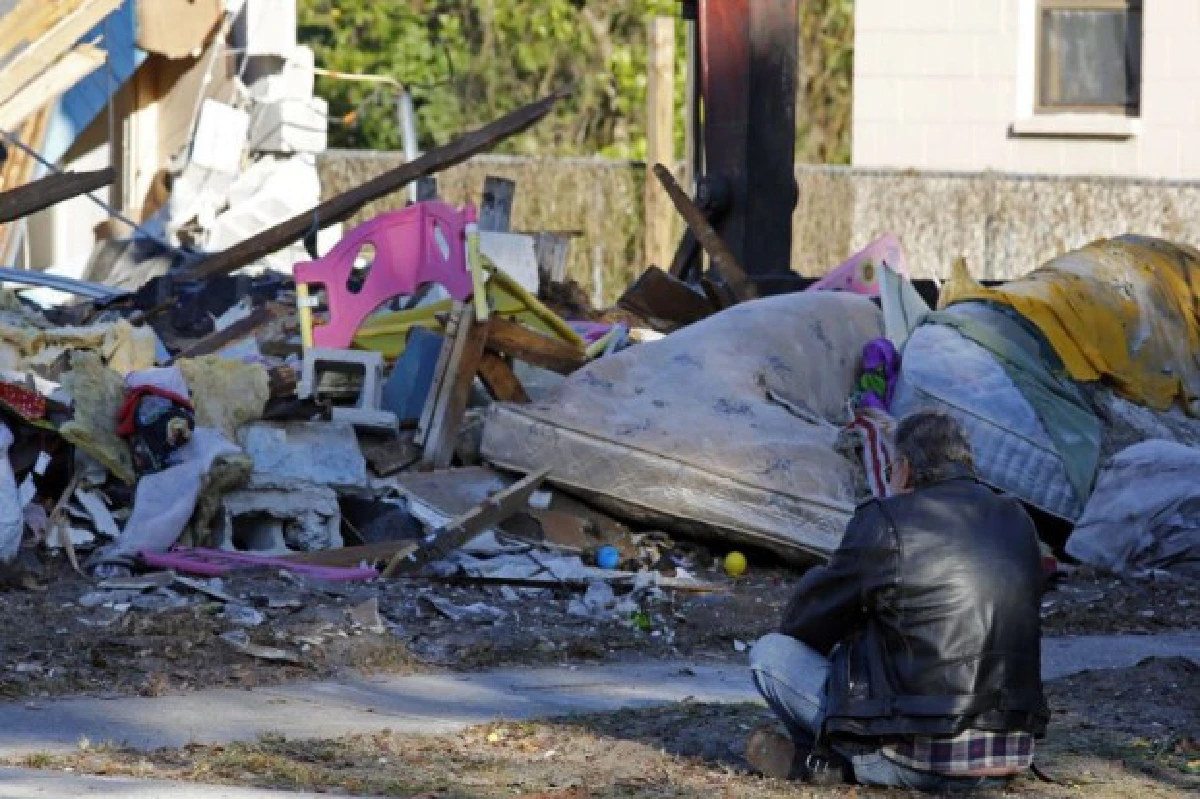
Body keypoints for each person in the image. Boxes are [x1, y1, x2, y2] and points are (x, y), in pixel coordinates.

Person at [747, 410, 1048, 791]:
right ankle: (834, 761)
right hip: (1009, 751)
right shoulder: (1017, 518)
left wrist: (823, 586)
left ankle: (824, 759)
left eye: (891, 467)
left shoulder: (887, 519)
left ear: (903, 469)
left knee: (771, 654)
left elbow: (806, 628)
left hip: (920, 757)